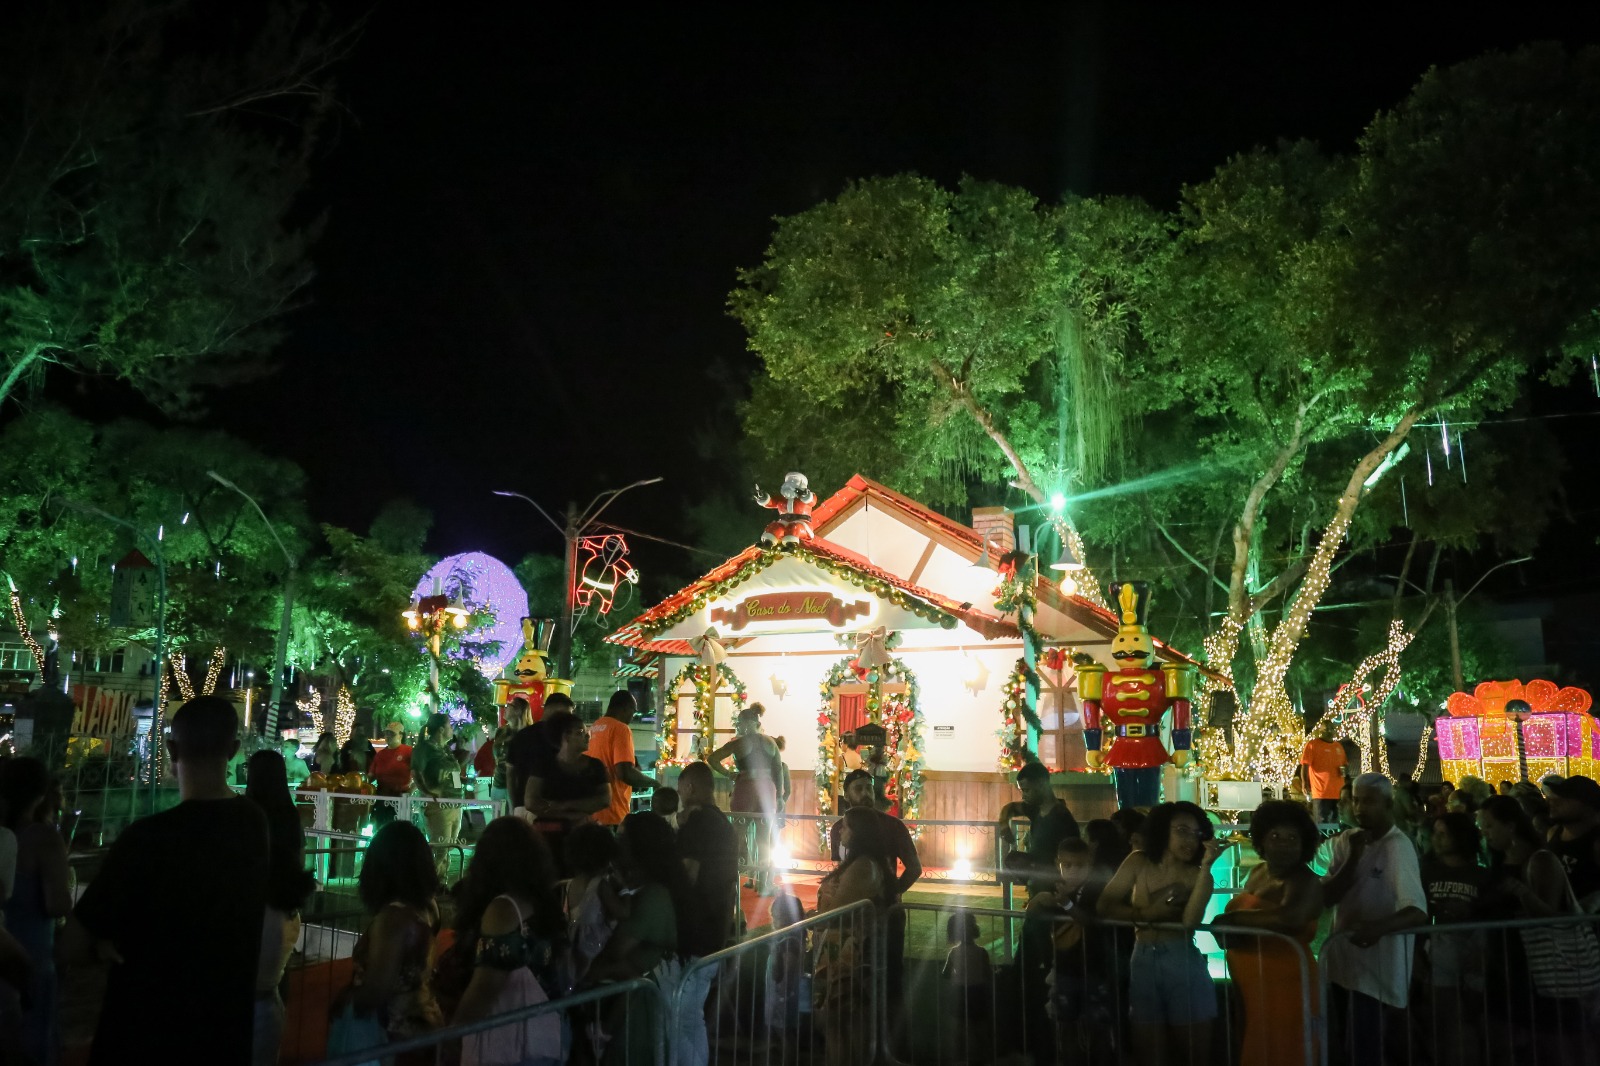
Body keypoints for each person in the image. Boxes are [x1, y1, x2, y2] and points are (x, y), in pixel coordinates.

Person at [68, 695, 270, 1065]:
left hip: (143, 1035)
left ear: (172, 749)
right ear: (234, 750)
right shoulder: (254, 825)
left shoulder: (146, 838)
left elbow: (72, 942)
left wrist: (101, 946)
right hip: (222, 1035)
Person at [1097, 801, 1226, 1066]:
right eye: (1181, 830)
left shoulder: (1197, 875)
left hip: (1182, 962)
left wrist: (1206, 869)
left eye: (1196, 833)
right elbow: (1104, 905)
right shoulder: (1138, 861)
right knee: (1149, 1053)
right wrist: (1147, 914)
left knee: (1193, 1054)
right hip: (1142, 958)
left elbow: (1190, 921)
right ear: (1161, 830)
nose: (1189, 839)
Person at [1319, 773, 1428, 1065]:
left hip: (1376, 974)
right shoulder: (1346, 842)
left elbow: (1416, 909)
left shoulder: (1397, 847)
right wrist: (1353, 857)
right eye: (1355, 800)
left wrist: (1378, 929)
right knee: (1348, 1046)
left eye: (1368, 801)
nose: (1359, 808)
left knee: (1366, 1049)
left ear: (1388, 804)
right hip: (1343, 967)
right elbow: (1327, 897)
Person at [1211, 799, 1323, 1066]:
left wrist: (1231, 919)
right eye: (1275, 836)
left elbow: (1291, 918)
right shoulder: (1258, 872)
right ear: (1261, 839)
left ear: (1303, 843)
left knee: (1285, 1049)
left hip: (1286, 984)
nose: (1283, 843)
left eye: (1292, 837)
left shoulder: (1305, 880)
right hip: (1252, 983)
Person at [446, 816, 566, 1066]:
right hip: (545, 1029)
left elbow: (486, 986)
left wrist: (453, 1033)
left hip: (508, 1036)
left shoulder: (503, 909)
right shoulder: (543, 901)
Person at [335, 820, 443, 1066]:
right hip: (424, 1022)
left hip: (392, 1034)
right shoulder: (428, 906)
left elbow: (377, 991)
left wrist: (347, 1002)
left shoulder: (393, 918)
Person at [584, 812, 689, 1065]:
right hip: (623, 1003)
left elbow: (616, 949)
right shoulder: (629, 887)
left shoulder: (654, 895)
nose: (614, 843)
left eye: (621, 837)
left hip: (638, 1015)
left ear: (640, 845)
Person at [244, 749, 316, 1066]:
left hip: (252, 906)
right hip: (283, 906)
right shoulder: (288, 815)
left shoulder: (246, 813)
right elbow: (299, 861)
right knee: (275, 980)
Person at [829, 768, 922, 1010]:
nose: (866, 793)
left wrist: (891, 893)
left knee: (890, 977)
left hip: (886, 915)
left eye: (868, 787)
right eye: (858, 789)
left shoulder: (893, 826)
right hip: (852, 920)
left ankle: (890, 1035)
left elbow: (914, 868)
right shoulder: (840, 828)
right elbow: (841, 869)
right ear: (846, 794)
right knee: (855, 981)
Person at [1028, 838, 1122, 1065]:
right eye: (1066, 865)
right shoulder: (1053, 888)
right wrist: (1041, 901)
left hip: (1094, 970)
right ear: (1057, 863)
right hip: (1064, 970)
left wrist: (1066, 904)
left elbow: (1091, 920)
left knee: (1098, 1030)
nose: (1072, 871)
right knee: (1065, 1029)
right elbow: (1033, 916)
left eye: (1079, 866)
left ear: (1089, 863)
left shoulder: (1097, 888)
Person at [2, 757, 71, 1065]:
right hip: (31, 957)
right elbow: (57, 903)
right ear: (42, 794)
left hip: (3, 952)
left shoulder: (4, 836)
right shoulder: (43, 839)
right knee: (33, 1043)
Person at [813, 806, 892, 1066]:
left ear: (860, 832)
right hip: (836, 952)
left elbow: (838, 912)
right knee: (837, 1026)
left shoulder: (863, 866)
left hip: (848, 957)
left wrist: (809, 920)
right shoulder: (857, 863)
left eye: (846, 826)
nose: (841, 830)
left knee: (843, 1025)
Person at [1419, 811, 1492, 1066]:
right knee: (1445, 1016)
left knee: (1473, 1017)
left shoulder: (1481, 875)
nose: (1437, 840)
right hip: (1439, 953)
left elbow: (1489, 915)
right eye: (1435, 834)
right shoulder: (1427, 872)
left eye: (1443, 834)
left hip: (1473, 952)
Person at [522, 710, 609, 864]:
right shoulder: (544, 765)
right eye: (581, 732)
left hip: (583, 837)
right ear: (566, 736)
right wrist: (574, 814)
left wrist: (561, 806)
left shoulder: (595, 766)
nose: (588, 736)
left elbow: (605, 799)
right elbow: (531, 802)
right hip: (549, 837)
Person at [996, 761, 1081, 892]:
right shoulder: (1036, 809)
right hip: (1039, 884)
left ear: (1041, 784)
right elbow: (1010, 808)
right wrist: (1003, 825)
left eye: (1026, 790)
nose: (1023, 796)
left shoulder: (1062, 819)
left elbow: (1071, 862)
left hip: (1054, 889)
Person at [587, 690, 657, 826]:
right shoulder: (620, 729)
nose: (632, 717)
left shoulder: (594, 727)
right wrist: (654, 783)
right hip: (613, 814)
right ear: (625, 708)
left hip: (592, 814)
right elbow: (625, 773)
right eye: (633, 711)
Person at [709, 703, 783, 828]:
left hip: (744, 787)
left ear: (744, 723)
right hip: (766, 789)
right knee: (764, 838)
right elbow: (778, 770)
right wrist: (780, 796)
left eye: (738, 723)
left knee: (739, 833)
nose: (738, 726)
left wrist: (728, 774)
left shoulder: (737, 743)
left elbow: (712, 758)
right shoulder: (771, 743)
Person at [565, 822, 622, 979]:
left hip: (576, 950)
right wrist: (627, 891)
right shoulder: (601, 885)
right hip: (595, 950)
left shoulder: (570, 884)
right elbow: (622, 912)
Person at [509, 692, 576, 817]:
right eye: (567, 715)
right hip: (545, 808)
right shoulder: (559, 738)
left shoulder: (521, 736)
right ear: (555, 711)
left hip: (521, 807)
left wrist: (515, 804)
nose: (568, 720)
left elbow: (510, 774)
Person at [1543, 773, 1600, 911]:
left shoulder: (1596, 842)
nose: (1553, 801)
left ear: (1587, 805)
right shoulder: (1554, 833)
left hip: (1585, 926)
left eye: (1564, 798)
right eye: (1553, 797)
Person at [942, 912, 993, 1062]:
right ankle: (983, 1060)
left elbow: (945, 974)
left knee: (960, 1033)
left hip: (960, 995)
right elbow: (988, 974)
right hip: (978, 994)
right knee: (981, 1032)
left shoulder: (954, 952)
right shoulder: (982, 952)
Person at [412, 713, 462, 858]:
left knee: (449, 848)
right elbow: (416, 773)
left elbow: (455, 773)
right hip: (438, 805)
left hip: (455, 804)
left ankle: (442, 879)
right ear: (441, 729)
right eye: (449, 726)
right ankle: (433, 878)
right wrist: (427, 793)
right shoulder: (424, 748)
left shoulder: (445, 749)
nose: (452, 729)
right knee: (440, 849)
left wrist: (458, 791)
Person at [765, 892, 806, 1038]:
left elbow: (786, 972)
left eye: (778, 917)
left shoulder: (789, 940)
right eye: (773, 916)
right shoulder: (790, 937)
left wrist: (781, 994)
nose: (774, 921)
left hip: (784, 997)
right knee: (782, 1032)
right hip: (781, 995)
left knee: (785, 1034)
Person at [1298, 723, 1348, 823]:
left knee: (1339, 825)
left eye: (1332, 728)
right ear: (1321, 731)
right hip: (1321, 793)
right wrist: (1305, 783)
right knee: (1322, 826)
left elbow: (1345, 765)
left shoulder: (1339, 746)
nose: (1330, 731)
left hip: (1339, 794)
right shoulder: (1312, 745)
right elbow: (1305, 765)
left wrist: (1345, 771)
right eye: (1327, 729)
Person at [487, 698, 528, 811]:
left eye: (509, 706)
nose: (505, 708)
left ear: (518, 711)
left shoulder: (527, 733)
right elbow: (496, 755)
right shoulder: (501, 731)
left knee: (515, 818)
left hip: (517, 784)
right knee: (497, 818)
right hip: (499, 782)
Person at [373, 722, 415, 797]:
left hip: (401, 796)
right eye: (387, 734)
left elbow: (419, 774)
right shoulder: (380, 755)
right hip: (381, 795)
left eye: (392, 734)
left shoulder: (409, 751)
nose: (388, 736)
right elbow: (371, 775)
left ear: (400, 736)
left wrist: (411, 790)